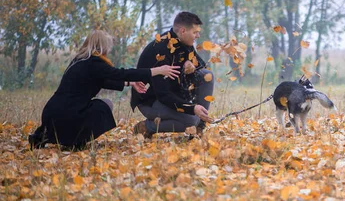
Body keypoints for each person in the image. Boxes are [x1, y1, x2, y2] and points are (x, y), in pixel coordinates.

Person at [28, 30, 180, 150]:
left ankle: (42, 137)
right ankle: (77, 141)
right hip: (68, 115)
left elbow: (104, 80)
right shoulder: (95, 63)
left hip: (52, 113)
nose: (109, 50)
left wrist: (130, 83)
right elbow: (120, 73)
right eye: (108, 46)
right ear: (102, 46)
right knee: (105, 105)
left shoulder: (80, 61)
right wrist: (157, 70)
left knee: (85, 110)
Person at [131, 11, 214, 138]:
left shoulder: (185, 43)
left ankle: (199, 126)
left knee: (207, 75)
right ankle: (147, 127)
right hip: (152, 101)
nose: (198, 35)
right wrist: (192, 108)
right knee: (191, 120)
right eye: (195, 32)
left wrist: (192, 65)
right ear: (183, 31)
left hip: (173, 96)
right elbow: (163, 95)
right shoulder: (160, 51)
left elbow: (201, 65)